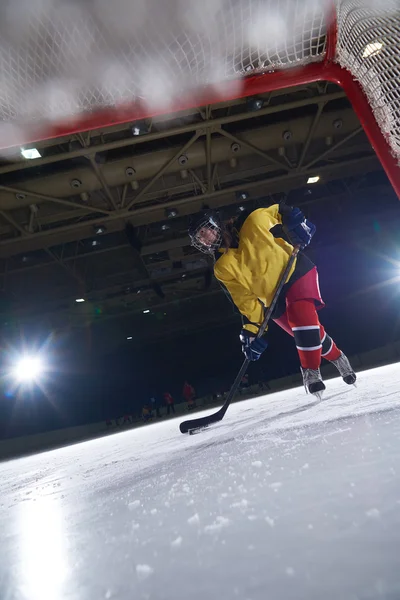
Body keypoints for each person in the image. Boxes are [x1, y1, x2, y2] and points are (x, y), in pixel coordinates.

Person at [188, 203, 356, 398]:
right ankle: (338, 358)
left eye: (204, 231)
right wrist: (252, 331)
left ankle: (311, 372)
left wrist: (296, 220)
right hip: (273, 300)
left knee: (301, 319)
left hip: (295, 273)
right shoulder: (222, 267)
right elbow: (246, 300)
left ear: (215, 224)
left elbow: (280, 211)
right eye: (199, 238)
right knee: (310, 334)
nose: (204, 239)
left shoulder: (251, 223)